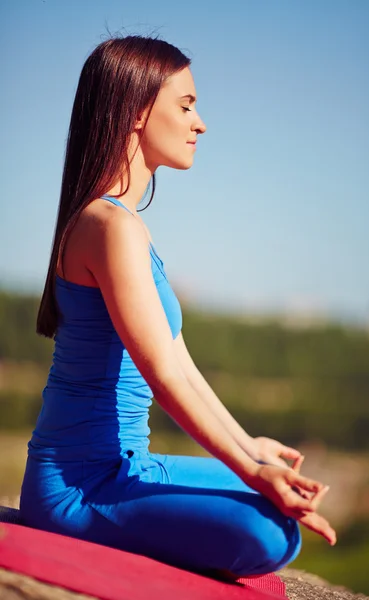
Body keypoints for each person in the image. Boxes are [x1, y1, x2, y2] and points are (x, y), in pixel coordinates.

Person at [19, 34, 336, 580]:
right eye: (186, 105)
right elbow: (162, 377)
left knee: (278, 515)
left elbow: (183, 365)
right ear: (136, 111)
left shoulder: (125, 227)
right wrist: (251, 471)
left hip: (128, 466)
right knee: (269, 531)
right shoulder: (108, 226)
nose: (201, 123)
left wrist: (250, 448)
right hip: (78, 485)